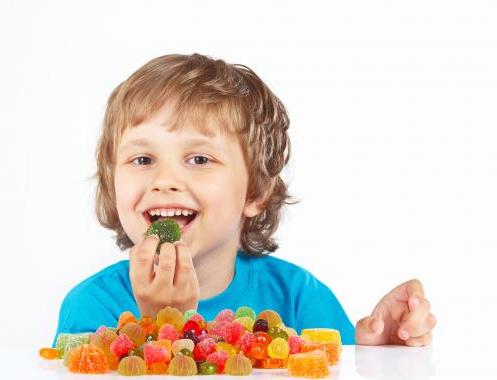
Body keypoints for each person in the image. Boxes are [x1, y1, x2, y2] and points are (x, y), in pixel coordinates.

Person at [52, 53, 436, 347]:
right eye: (143, 159)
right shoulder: (91, 310)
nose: (164, 180)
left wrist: (377, 357)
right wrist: (161, 327)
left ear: (254, 192)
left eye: (199, 159)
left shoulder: (298, 298)